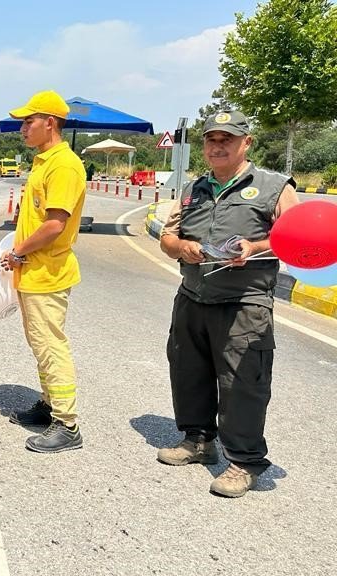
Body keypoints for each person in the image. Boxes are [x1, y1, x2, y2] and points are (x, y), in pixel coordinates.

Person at [157, 110, 298, 498]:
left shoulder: (273, 186)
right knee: (188, 370)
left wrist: (254, 247)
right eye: (211, 140)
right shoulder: (193, 189)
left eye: (227, 139)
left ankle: (245, 461)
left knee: (242, 383)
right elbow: (168, 237)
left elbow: (297, 235)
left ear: (246, 143)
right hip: (193, 296)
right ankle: (198, 441)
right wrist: (182, 247)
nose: (218, 146)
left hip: (244, 305)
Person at [0, 90, 87, 454]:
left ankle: (67, 424)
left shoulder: (63, 165)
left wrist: (18, 250)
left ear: (50, 123)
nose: (23, 128)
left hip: (47, 271)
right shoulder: (43, 161)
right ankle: (49, 405)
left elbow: (55, 224)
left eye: (28, 121)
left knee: (51, 346)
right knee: (41, 343)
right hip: (34, 271)